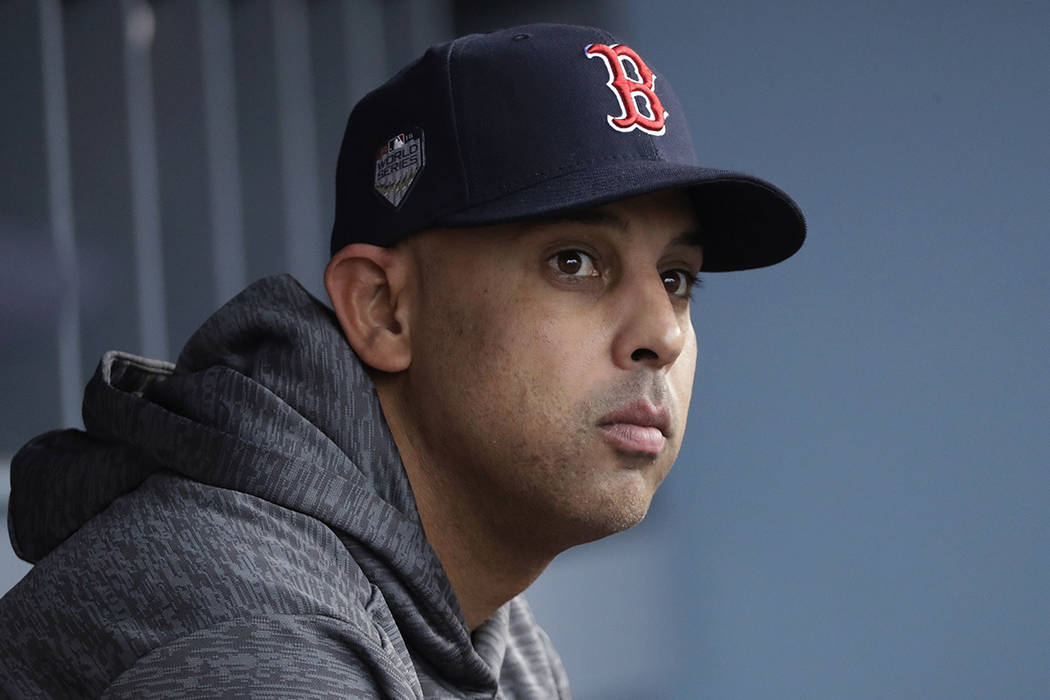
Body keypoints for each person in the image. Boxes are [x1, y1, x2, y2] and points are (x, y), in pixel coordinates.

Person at [0, 23, 804, 698]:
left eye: (676, 278)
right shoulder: (258, 635)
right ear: (383, 309)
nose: (661, 331)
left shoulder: (489, 624)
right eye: (574, 262)